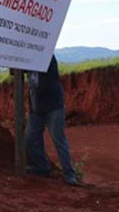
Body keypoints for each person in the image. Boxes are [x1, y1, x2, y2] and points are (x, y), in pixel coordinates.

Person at [25, 55, 79, 186]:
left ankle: (69, 173)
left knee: (58, 138)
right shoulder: (26, 57)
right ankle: (42, 167)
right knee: (30, 138)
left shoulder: (46, 55)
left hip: (53, 105)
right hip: (36, 106)